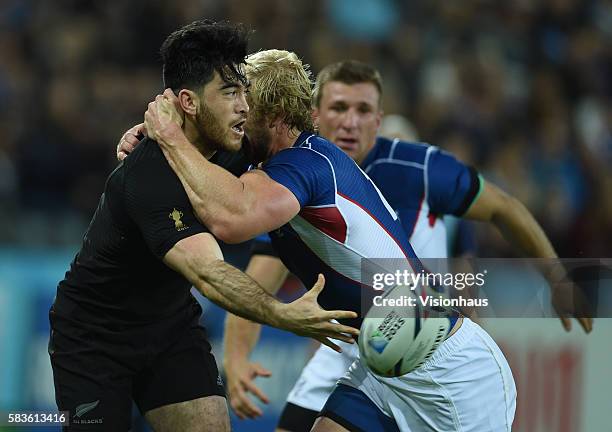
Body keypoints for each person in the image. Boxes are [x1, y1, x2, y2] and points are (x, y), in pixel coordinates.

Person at [140, 50, 519, 432]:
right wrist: (149, 146)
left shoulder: (306, 167)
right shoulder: (277, 162)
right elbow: (207, 169)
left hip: (451, 374)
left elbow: (229, 219)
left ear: (274, 115)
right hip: (384, 362)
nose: (234, 113)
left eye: (243, 104)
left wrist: (171, 140)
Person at [222, 60, 592, 431]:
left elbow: (499, 215)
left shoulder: (417, 168)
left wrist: (556, 277)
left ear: (378, 120)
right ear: (314, 114)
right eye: (338, 108)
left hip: (428, 342)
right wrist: (236, 356)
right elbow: (259, 276)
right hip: (365, 353)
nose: (350, 122)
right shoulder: (285, 187)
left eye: (362, 110)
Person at [49, 22, 358, 432]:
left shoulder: (235, 142)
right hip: (94, 339)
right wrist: (281, 314)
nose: (244, 106)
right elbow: (208, 273)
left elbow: (297, 140)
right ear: (189, 103)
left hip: (170, 326)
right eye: (230, 93)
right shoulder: (147, 176)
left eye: (244, 91)